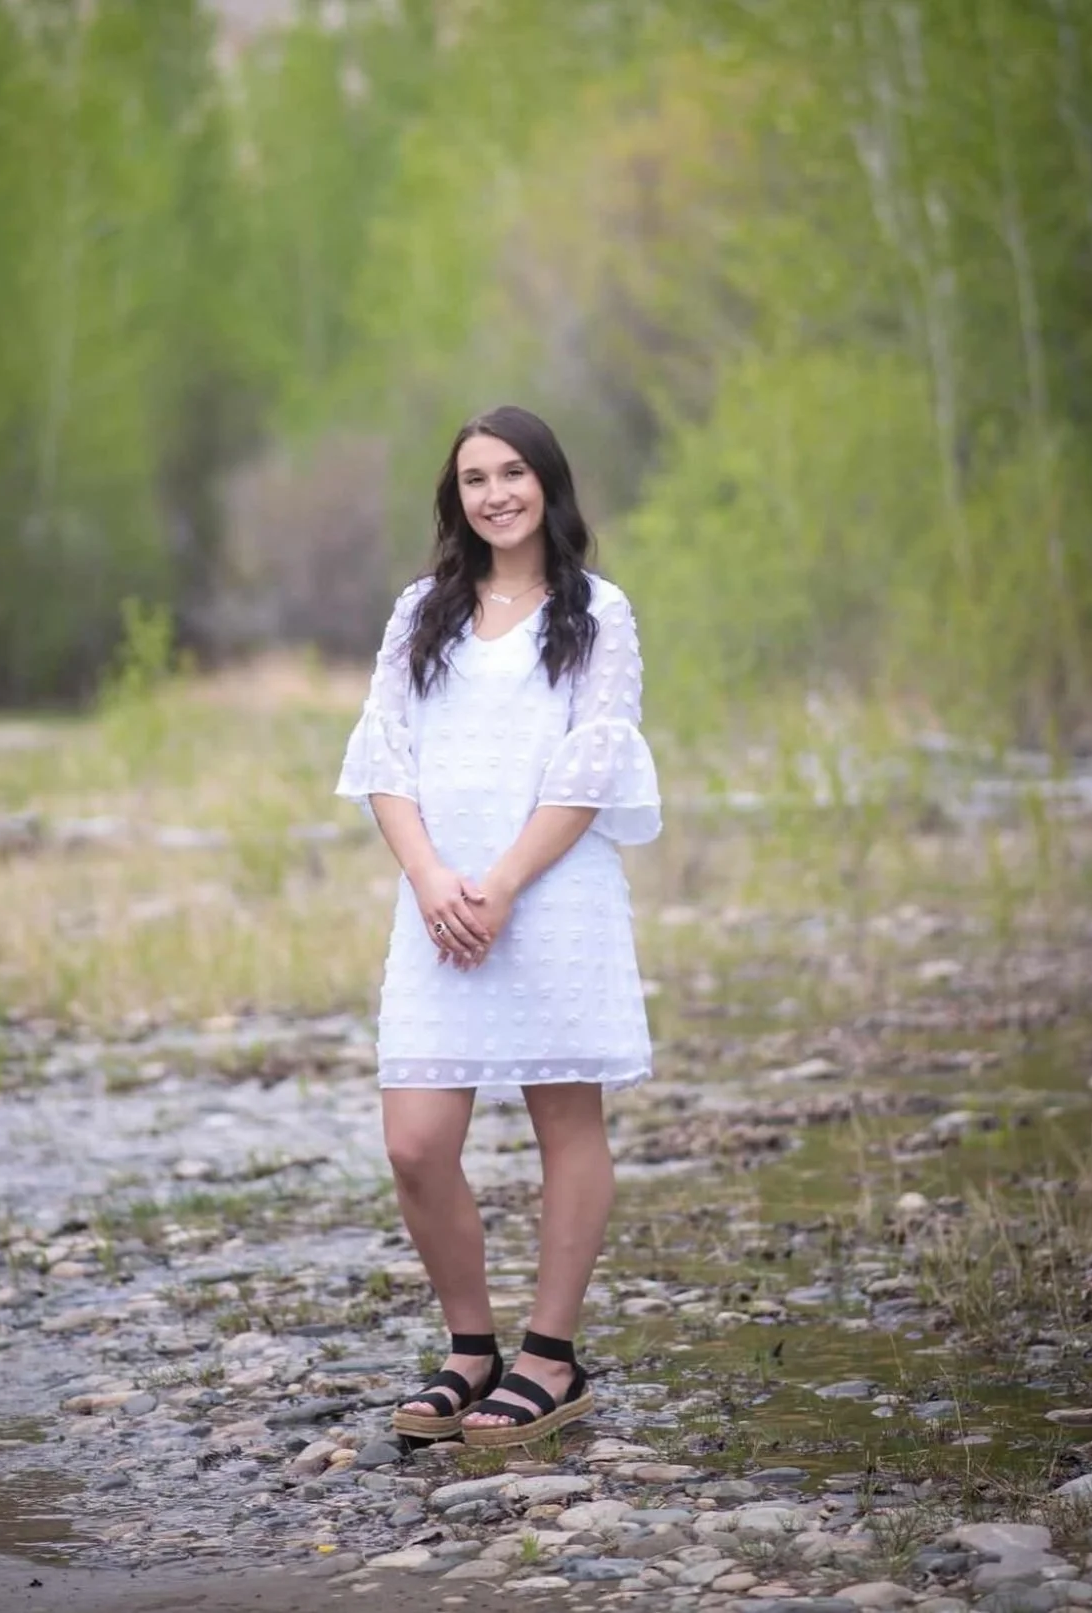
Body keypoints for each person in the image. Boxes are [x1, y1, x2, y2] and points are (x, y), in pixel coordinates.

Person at [335, 405, 661, 1449]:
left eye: (513, 472)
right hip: (437, 905)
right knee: (416, 1140)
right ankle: (470, 1348)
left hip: (552, 896)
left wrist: (508, 880)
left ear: (548, 483)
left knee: (567, 1120)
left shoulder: (597, 612)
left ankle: (550, 1357)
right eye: (474, 478)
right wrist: (432, 876)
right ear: (456, 498)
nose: (495, 493)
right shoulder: (419, 611)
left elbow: (592, 764)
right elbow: (383, 751)